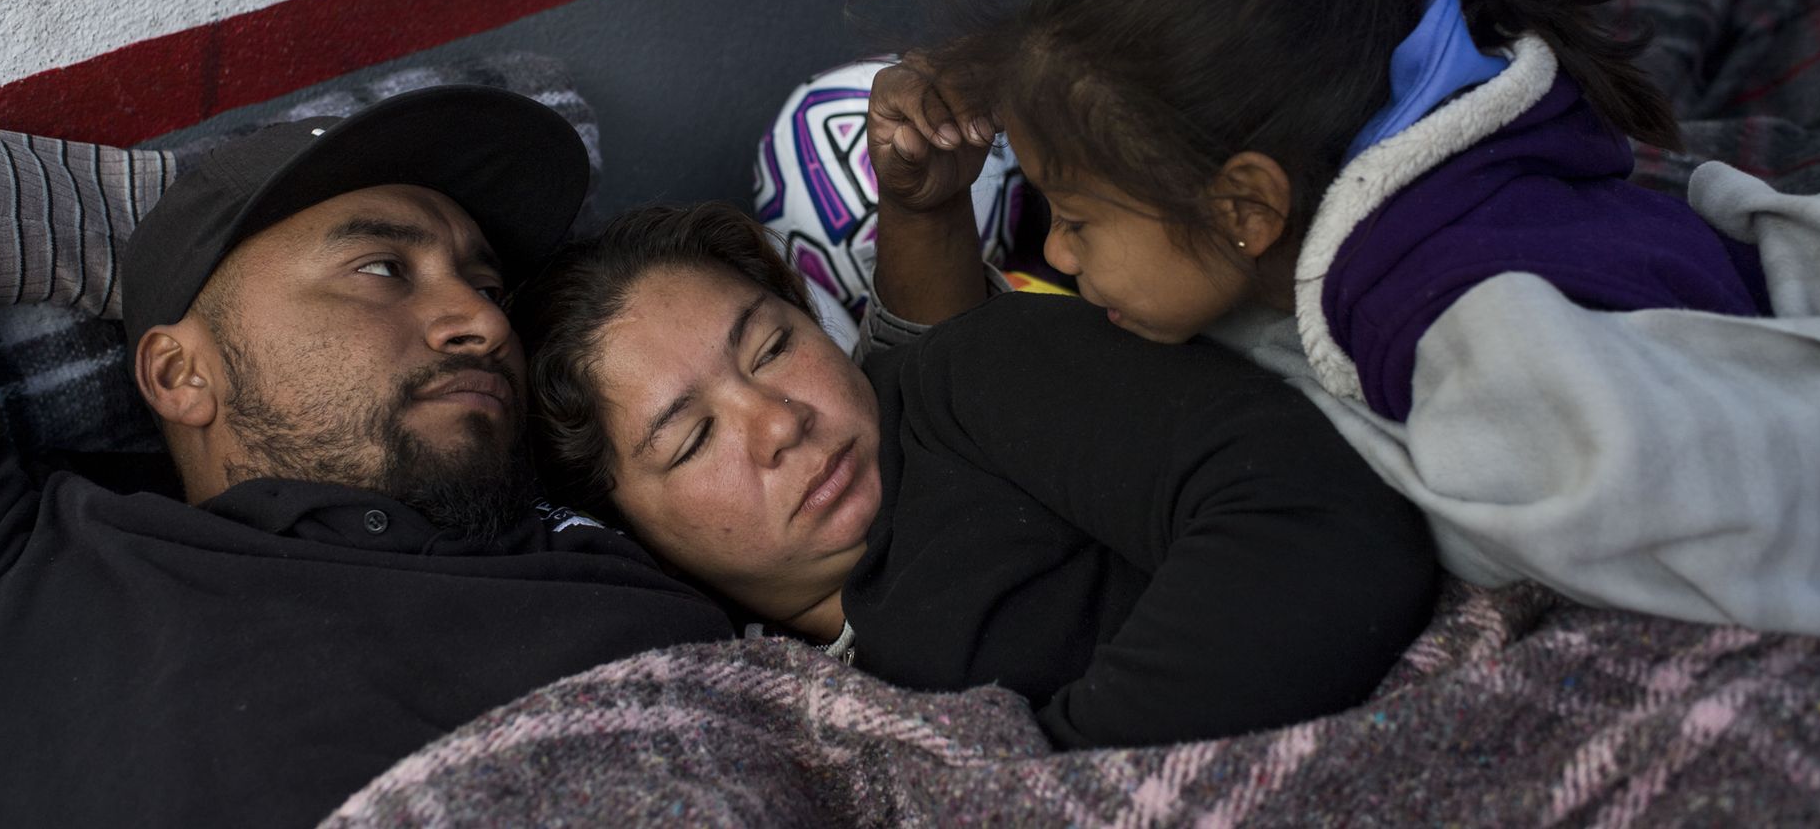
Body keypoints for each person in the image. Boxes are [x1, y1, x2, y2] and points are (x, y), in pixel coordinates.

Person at [854, 0, 1820, 639]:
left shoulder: (1444, 315)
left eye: (1075, 220)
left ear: (1244, 208)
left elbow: (1720, 491)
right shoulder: (1405, 162)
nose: (1059, 256)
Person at [0, 90, 732, 828]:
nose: (483, 324)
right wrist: (181, 236)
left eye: (488, 288)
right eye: (381, 268)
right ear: (178, 373)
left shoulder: (608, 536)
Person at [520, 200, 1441, 751]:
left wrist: (1052, 777)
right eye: (691, 440)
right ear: (627, 526)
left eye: (771, 347)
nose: (779, 421)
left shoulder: (972, 381)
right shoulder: (747, 702)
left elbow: (1316, 520)